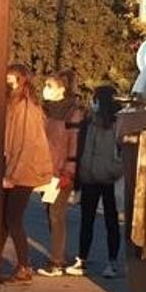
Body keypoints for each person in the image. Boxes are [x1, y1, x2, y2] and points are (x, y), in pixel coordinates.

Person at [1, 63, 55, 285]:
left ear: (20, 79)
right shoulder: (16, 104)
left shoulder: (25, 107)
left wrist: (11, 175)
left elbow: (25, 145)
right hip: (16, 169)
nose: (7, 81)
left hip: (23, 170)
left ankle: (24, 266)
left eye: (11, 78)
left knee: (12, 218)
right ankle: (15, 265)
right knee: (6, 219)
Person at [69, 84, 124, 278]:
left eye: (95, 99)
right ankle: (82, 258)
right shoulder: (89, 122)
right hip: (89, 176)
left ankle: (112, 261)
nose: (92, 102)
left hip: (108, 178)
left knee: (111, 220)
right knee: (87, 219)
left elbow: (122, 152)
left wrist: (114, 171)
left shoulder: (118, 124)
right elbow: (81, 149)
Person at [36, 70, 85, 276]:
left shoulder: (73, 112)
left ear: (61, 89)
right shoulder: (44, 110)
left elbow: (74, 143)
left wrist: (69, 171)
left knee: (57, 215)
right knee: (50, 213)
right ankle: (58, 255)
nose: (45, 90)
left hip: (62, 171)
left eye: (50, 86)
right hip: (45, 171)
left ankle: (56, 262)